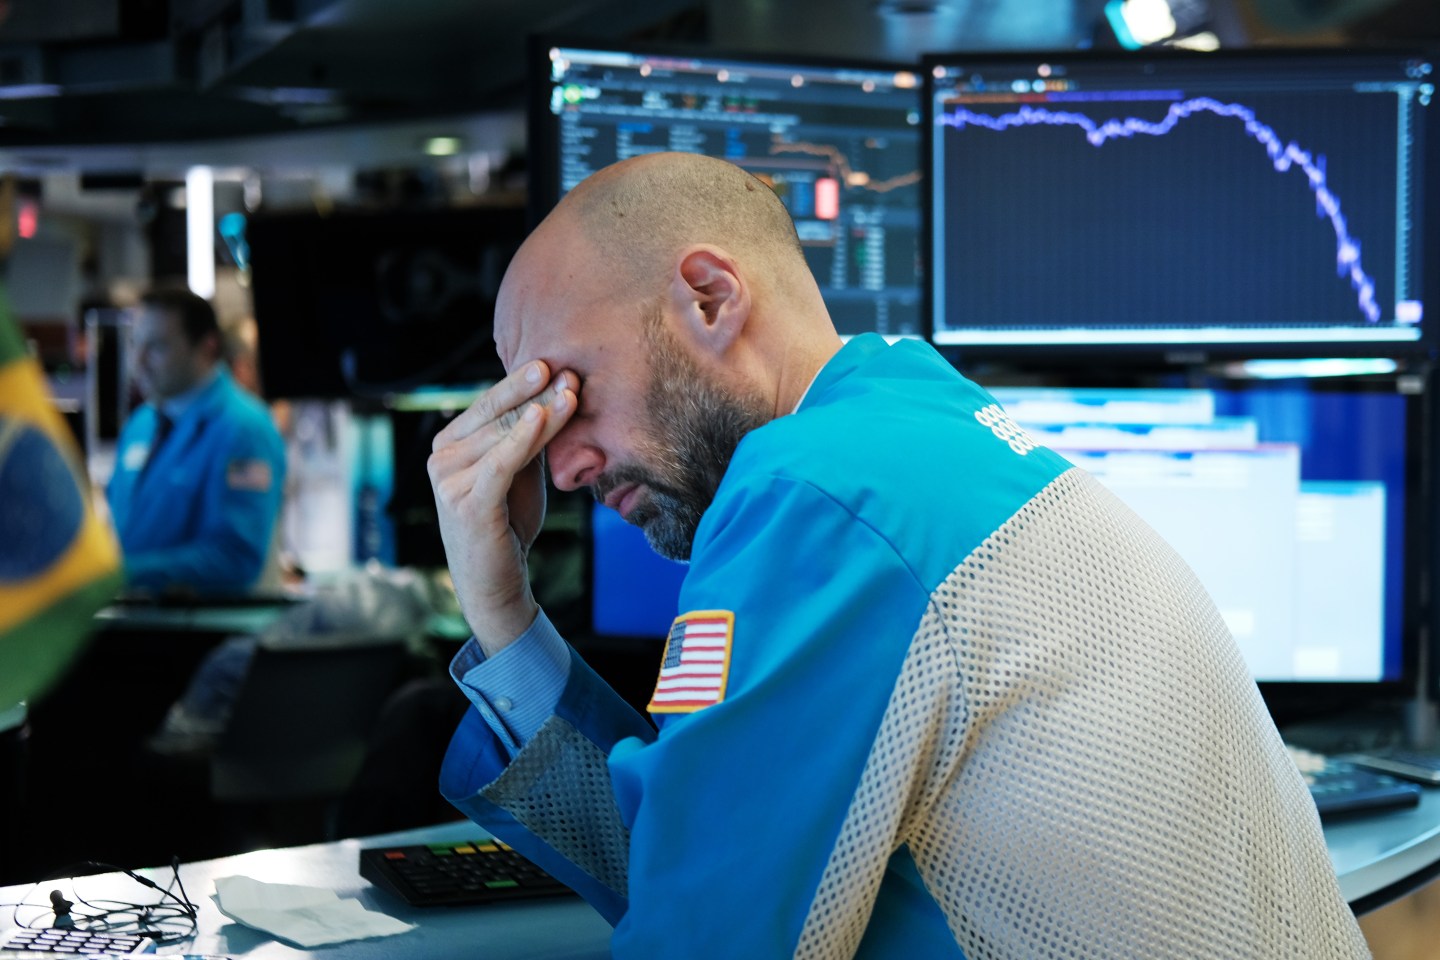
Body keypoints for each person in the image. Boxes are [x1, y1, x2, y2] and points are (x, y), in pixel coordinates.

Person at [428, 152, 1369, 959]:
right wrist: (503, 611)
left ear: (710, 298)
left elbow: (691, 938)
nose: (560, 466)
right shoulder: (920, 423)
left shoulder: (823, 494)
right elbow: (692, 865)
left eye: (568, 395)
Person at [106, 286, 285, 597]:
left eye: (157, 347)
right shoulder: (141, 424)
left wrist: (121, 574)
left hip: (206, 633)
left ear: (207, 347)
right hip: (136, 624)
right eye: (136, 344)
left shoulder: (244, 429)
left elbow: (235, 559)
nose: (139, 361)